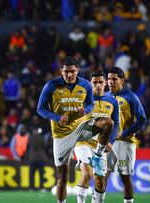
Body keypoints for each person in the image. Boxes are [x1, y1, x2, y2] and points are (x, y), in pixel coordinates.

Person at [37, 56, 114, 203]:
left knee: (107, 123)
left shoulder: (85, 85)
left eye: (73, 71)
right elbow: (40, 108)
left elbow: (91, 104)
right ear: (61, 71)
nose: (70, 75)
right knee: (63, 174)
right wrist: (56, 117)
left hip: (80, 127)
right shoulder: (51, 86)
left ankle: (98, 155)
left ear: (77, 70)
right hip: (62, 134)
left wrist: (85, 110)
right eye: (66, 72)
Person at [74, 70, 119, 203]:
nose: (98, 85)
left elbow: (116, 122)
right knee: (87, 174)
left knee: (100, 181)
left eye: (100, 82)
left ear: (105, 83)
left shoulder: (112, 101)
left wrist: (110, 141)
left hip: (100, 145)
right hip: (83, 142)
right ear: (90, 84)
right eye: (95, 83)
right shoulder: (84, 100)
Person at [106, 67, 147, 203]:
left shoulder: (130, 97)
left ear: (122, 81)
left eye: (114, 79)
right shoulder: (105, 97)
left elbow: (142, 119)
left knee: (125, 177)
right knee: (101, 175)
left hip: (125, 142)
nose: (110, 82)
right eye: (109, 79)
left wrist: (126, 133)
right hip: (107, 143)